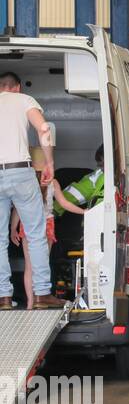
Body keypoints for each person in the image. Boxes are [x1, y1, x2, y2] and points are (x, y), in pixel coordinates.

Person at [0, 71, 60, 310]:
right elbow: (43, 128)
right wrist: (49, 163)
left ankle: (4, 297)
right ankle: (42, 293)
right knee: (35, 234)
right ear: (18, 87)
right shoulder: (25, 100)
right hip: (20, 172)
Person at [11, 148, 84, 308]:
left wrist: (12, 229)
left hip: (27, 224)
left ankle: (30, 303)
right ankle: (41, 299)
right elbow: (64, 203)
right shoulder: (52, 182)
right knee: (43, 264)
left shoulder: (24, 182)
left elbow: (17, 208)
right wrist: (85, 211)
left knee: (29, 267)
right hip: (46, 225)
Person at [55, 144, 105, 216]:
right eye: (100, 165)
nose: (100, 168)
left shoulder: (101, 175)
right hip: (94, 218)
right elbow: (76, 193)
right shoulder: (98, 175)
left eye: (102, 165)